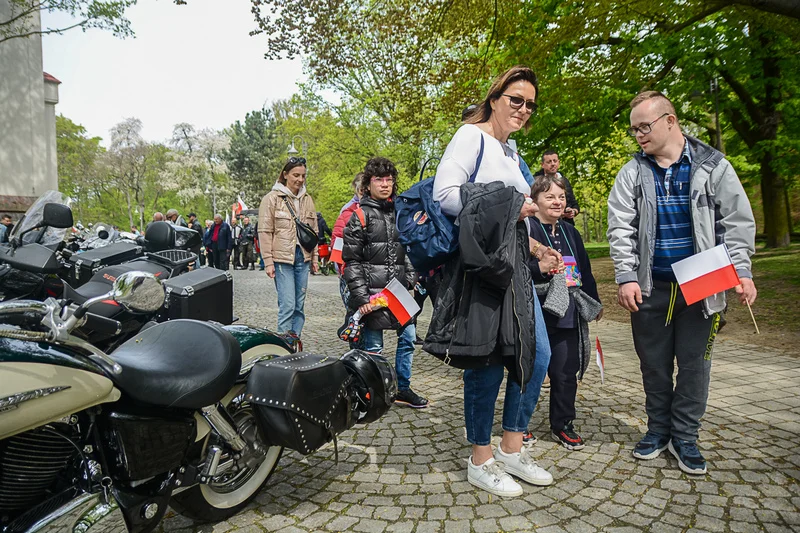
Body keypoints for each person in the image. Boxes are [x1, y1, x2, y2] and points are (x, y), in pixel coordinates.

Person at [607, 91, 757, 475]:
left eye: (645, 126)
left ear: (670, 121)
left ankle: (685, 437)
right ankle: (657, 431)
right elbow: (620, 227)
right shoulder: (632, 173)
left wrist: (742, 272)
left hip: (704, 285)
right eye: (634, 129)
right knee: (654, 366)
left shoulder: (714, 166)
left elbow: (736, 223)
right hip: (651, 286)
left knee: (694, 366)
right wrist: (626, 276)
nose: (639, 135)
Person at [425, 65, 554, 497]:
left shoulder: (512, 151)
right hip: (481, 266)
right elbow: (444, 195)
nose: (523, 109)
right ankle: (480, 459)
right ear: (496, 97)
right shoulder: (470, 136)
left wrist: (539, 249)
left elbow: (518, 214)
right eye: (515, 99)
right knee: (486, 362)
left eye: (530, 104)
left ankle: (512, 447)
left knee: (536, 355)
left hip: (516, 262)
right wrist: (510, 205)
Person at [342, 158, 427, 409]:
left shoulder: (401, 213)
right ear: (368, 184)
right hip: (373, 294)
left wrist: (410, 278)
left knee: (409, 337)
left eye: (389, 179)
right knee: (374, 347)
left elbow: (409, 250)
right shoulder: (359, 216)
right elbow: (352, 262)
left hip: (399, 292)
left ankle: (402, 388)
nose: (385, 184)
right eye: (379, 179)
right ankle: (373, 392)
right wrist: (361, 297)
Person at [528, 175, 602, 451]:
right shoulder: (528, 231)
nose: (558, 201)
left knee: (565, 372)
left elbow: (585, 269)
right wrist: (541, 269)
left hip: (568, 312)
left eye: (561, 197)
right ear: (535, 202)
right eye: (550, 197)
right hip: (536, 310)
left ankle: (563, 424)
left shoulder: (571, 232)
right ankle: (519, 424)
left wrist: (593, 302)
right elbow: (520, 269)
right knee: (531, 370)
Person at [258, 157, 319, 336]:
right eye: (296, 175)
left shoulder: (308, 199)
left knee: (299, 306)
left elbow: (313, 231)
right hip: (282, 258)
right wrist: (268, 261)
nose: (300, 179)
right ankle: (283, 347)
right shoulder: (271, 199)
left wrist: (315, 258)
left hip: (303, 256)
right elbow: (264, 231)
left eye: (303, 176)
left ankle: (295, 343)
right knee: (288, 304)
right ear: (285, 175)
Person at [533, 151, 580, 225]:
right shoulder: (535, 182)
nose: (553, 164)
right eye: (549, 162)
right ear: (542, 165)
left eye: (555, 161)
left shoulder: (564, 181)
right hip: (542, 224)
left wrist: (573, 211)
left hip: (566, 224)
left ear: (558, 162)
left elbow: (574, 204)